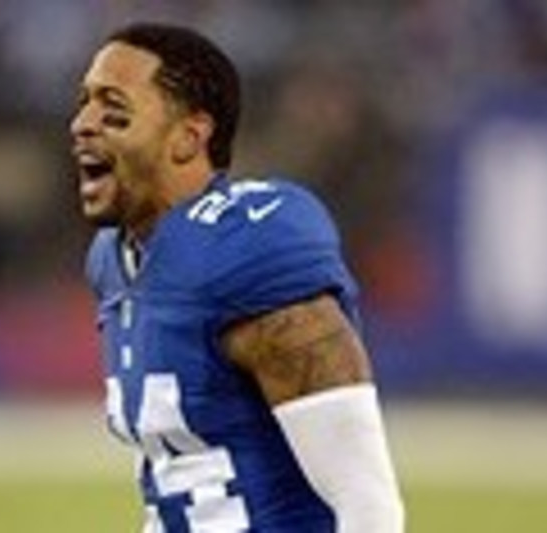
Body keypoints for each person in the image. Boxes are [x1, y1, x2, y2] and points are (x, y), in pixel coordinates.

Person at [70, 22, 405, 533]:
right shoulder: (113, 260)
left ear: (189, 137)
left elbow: (368, 502)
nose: (82, 124)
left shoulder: (249, 246)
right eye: (84, 103)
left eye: (113, 109)